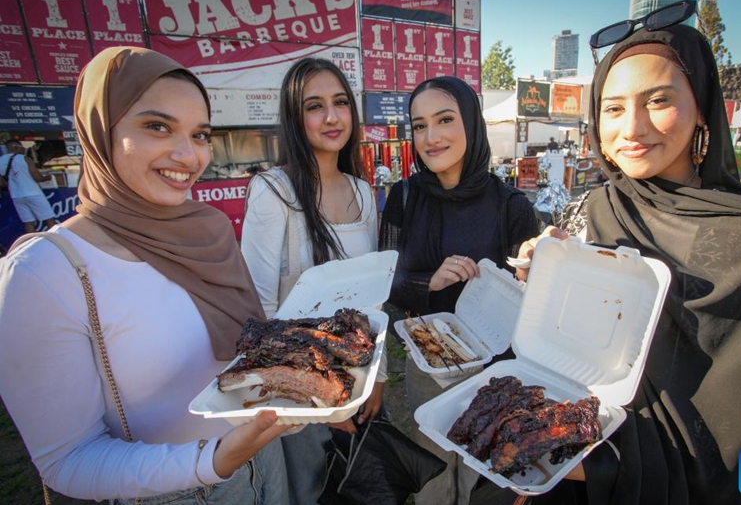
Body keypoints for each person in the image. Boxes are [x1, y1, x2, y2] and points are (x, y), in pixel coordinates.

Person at [507, 23, 741, 505]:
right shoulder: (595, 209)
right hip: (574, 451)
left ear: (701, 107)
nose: (632, 128)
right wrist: (539, 279)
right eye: (614, 108)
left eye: (659, 101)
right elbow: (576, 347)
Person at [0, 47, 291, 504]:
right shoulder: (44, 273)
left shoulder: (208, 231)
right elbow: (67, 461)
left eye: (200, 134)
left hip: (265, 464)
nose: (188, 155)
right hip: (173, 491)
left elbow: (247, 349)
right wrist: (211, 461)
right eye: (157, 126)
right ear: (100, 131)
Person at [378, 76, 539, 505]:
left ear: (470, 122)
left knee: (481, 472)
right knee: (432, 469)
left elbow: (531, 300)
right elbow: (384, 281)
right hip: (430, 358)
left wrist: (533, 270)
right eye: (419, 125)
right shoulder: (405, 197)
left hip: (495, 369)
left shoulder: (511, 206)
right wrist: (425, 282)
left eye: (445, 119)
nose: (431, 137)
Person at [240, 57, 383, 505]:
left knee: (363, 486)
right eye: (314, 106)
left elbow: (375, 296)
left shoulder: (363, 191)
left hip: (360, 375)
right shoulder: (274, 190)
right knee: (313, 491)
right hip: (300, 388)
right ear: (294, 118)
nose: (332, 116)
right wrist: (323, 402)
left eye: (340, 102)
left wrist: (376, 380)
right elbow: (260, 311)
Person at [0, 139, 57, 233]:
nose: (23, 150)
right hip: (33, 193)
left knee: (28, 223)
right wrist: (49, 177)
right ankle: (55, 241)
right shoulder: (24, 159)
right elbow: (37, 178)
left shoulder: (0, 161)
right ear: (16, 147)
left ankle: (32, 244)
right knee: (49, 219)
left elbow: (2, 183)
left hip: (16, 196)